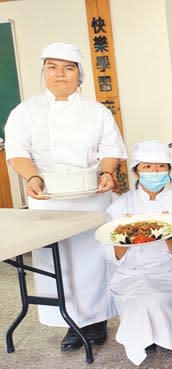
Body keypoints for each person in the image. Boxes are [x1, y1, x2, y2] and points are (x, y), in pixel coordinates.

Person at [4, 42, 126, 351]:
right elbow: (18, 153)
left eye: (68, 68)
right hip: (47, 199)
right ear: (43, 72)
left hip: (91, 199)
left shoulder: (97, 112)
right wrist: (31, 177)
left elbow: (111, 151)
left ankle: (96, 320)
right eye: (53, 68)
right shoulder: (25, 111)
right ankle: (66, 322)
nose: (60, 75)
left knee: (91, 261)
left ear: (79, 75)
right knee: (55, 261)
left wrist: (108, 172)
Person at [102, 141, 172, 364]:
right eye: (147, 167)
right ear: (136, 170)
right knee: (141, 299)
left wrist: (170, 231)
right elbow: (108, 252)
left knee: (157, 298)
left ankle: (159, 335)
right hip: (131, 274)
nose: (154, 172)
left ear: (169, 170)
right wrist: (123, 236)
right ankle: (144, 337)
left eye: (161, 167)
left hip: (169, 274)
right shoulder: (119, 206)